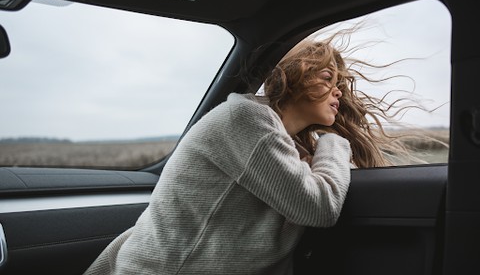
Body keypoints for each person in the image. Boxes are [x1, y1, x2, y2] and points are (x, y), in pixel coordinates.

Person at [82, 27, 420, 275]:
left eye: (340, 85)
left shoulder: (274, 139)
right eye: (328, 78)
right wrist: (333, 144)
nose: (338, 93)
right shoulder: (246, 118)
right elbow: (318, 208)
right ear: (296, 76)